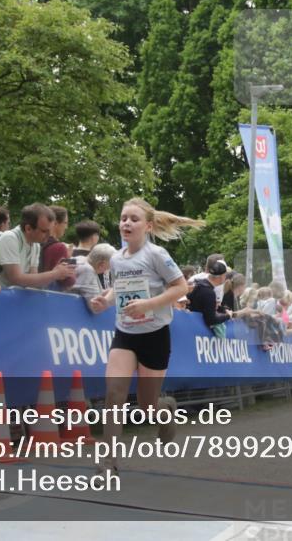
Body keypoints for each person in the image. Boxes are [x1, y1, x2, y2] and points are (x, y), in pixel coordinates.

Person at [88, 198, 204, 475]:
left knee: (147, 405)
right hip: (125, 332)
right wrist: (106, 299)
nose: (126, 223)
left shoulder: (157, 254)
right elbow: (119, 286)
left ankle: (166, 410)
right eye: (123, 218)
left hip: (155, 334)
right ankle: (109, 461)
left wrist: (148, 305)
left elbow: (180, 288)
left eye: (134, 219)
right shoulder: (116, 258)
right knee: (114, 394)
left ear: (148, 226)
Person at [0, 203, 75, 289]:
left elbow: (33, 282)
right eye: (44, 231)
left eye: (50, 230)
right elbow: (16, 279)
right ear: (28, 228)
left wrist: (56, 273)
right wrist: (54, 274)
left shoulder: (35, 245)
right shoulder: (10, 238)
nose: (49, 235)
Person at [186, 257, 231, 336]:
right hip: (196, 333)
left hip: (190, 326)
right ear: (221, 277)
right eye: (225, 276)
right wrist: (228, 316)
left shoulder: (198, 284)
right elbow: (211, 319)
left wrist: (222, 309)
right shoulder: (209, 293)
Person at [73, 242, 116, 308]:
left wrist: (106, 292)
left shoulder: (79, 259)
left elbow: (89, 291)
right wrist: (114, 291)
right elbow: (95, 307)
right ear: (101, 265)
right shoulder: (88, 271)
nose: (110, 269)